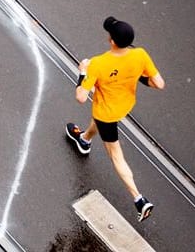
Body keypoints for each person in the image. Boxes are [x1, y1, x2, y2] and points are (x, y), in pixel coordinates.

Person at [66, 16, 165, 222]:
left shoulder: (99, 63)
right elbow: (158, 83)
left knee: (116, 156)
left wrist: (83, 73)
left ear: (111, 40)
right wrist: (134, 75)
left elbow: (81, 97)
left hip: (107, 113)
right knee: (99, 124)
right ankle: (84, 139)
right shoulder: (140, 55)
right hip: (124, 106)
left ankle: (139, 199)